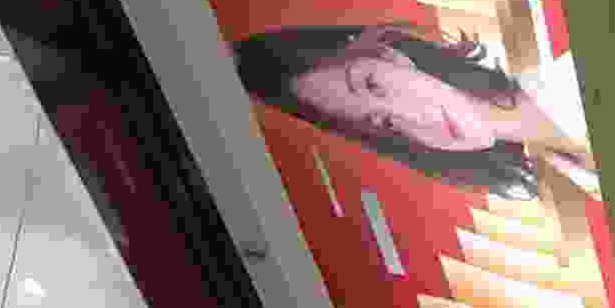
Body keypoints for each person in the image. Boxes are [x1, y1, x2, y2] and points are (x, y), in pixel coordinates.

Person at [232, 20, 596, 200]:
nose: (410, 118)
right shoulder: (570, 174)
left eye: (373, 85)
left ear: (391, 54)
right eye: (382, 122)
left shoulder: (589, 76)